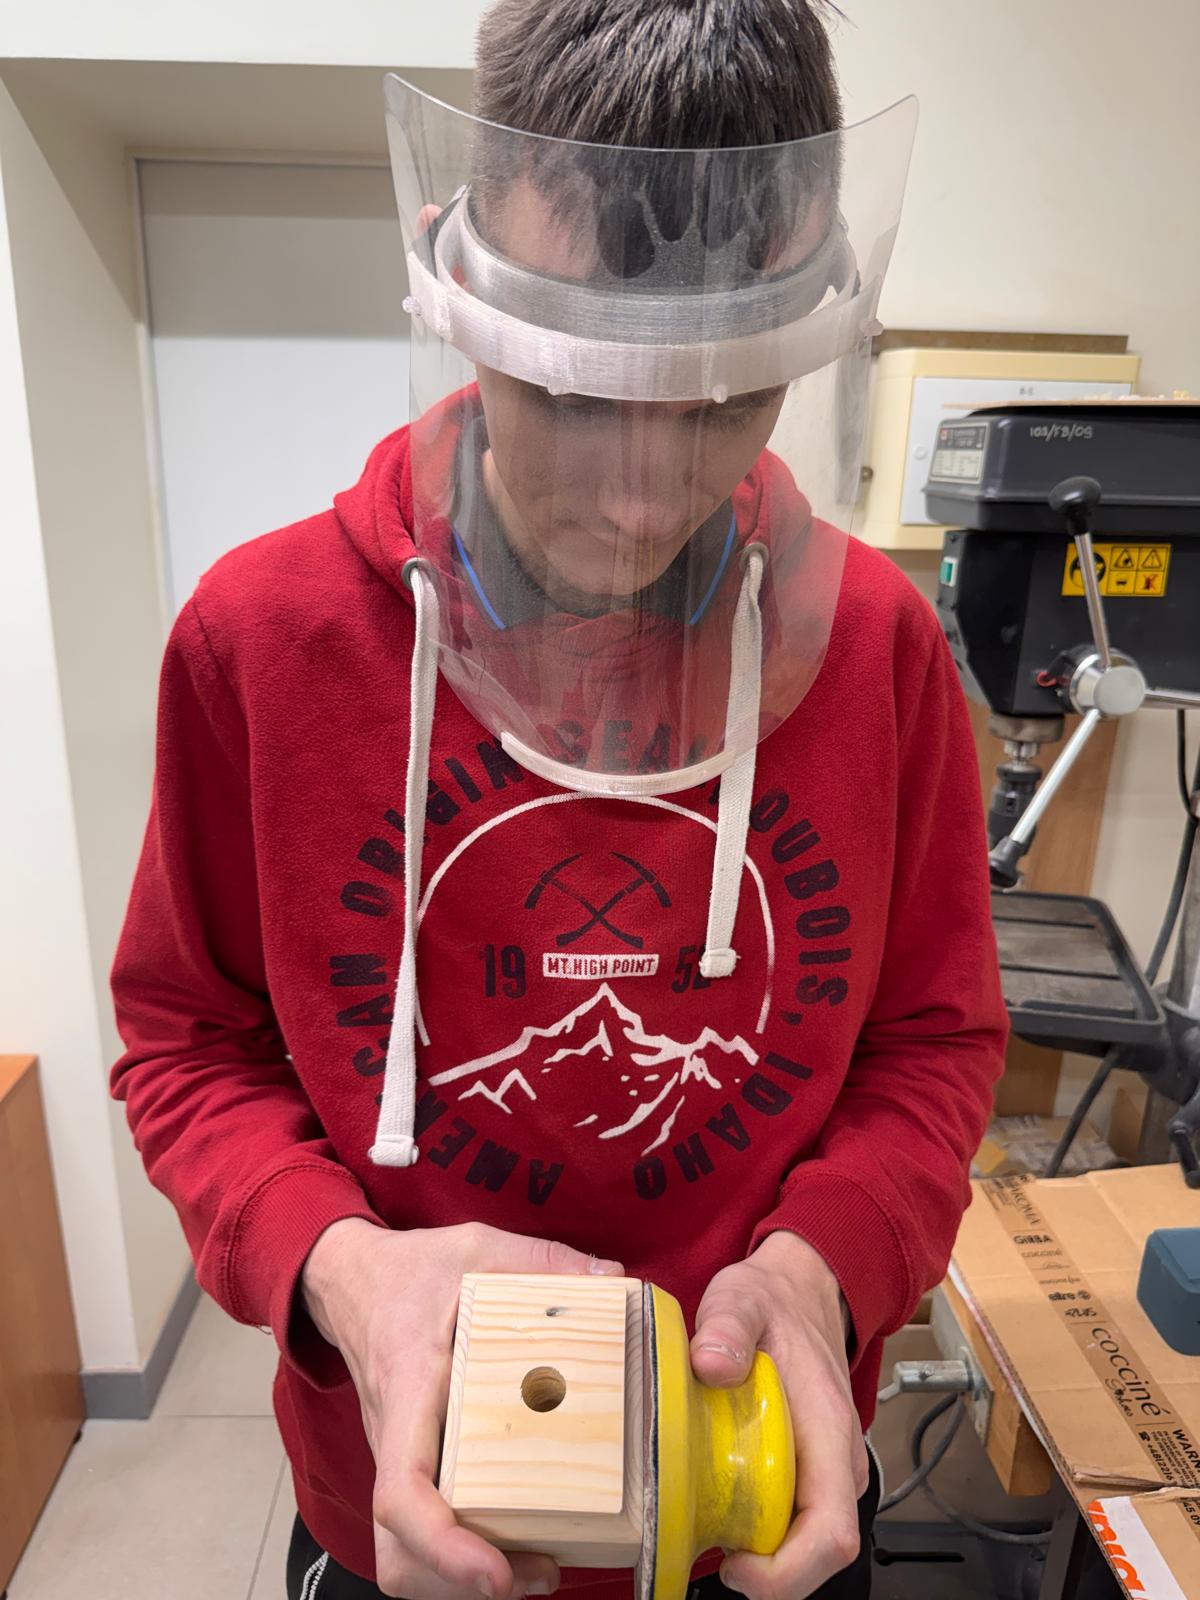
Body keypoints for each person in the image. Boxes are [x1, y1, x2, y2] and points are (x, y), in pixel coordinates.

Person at [110, 3, 1007, 1598]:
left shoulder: (876, 649)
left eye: (728, 395)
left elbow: (934, 1042)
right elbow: (187, 1045)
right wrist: (344, 1271)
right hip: (420, 1509)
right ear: (453, 290)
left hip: (761, 1495)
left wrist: (824, 1269)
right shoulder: (263, 642)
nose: (646, 497)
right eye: (578, 391)